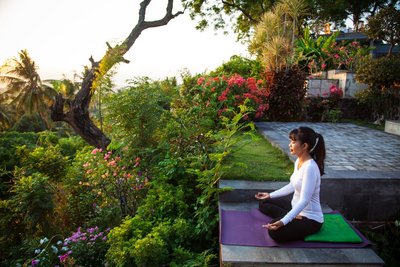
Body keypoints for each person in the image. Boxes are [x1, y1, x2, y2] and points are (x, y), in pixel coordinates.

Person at [255, 127, 326, 242]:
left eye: (293, 142)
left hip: (310, 219)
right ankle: (292, 215)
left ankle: (290, 217)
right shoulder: (299, 161)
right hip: (296, 208)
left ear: (304, 146)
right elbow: (292, 185)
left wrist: (284, 221)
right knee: (264, 202)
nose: (289, 145)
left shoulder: (310, 168)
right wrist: (270, 195)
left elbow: (304, 200)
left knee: (274, 231)